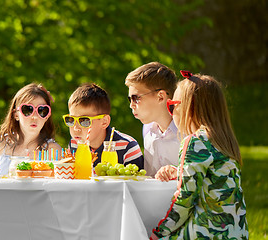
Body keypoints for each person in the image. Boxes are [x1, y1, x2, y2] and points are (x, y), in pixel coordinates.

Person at [151, 71, 248, 239]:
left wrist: (160, 232)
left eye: (171, 106)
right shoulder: (224, 141)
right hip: (236, 233)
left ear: (188, 108)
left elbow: (185, 199)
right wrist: (179, 170)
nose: (171, 112)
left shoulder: (195, 141)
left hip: (205, 233)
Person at [64, 83, 143, 168]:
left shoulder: (128, 147)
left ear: (104, 122)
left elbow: (137, 179)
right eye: (71, 120)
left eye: (84, 121)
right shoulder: (74, 143)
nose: (76, 128)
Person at [0, 83, 62, 175]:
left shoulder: (53, 151)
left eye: (42, 110)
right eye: (28, 110)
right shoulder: (1, 146)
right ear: (16, 115)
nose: (35, 117)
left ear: (47, 116)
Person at [125, 62, 180, 177]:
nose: (131, 105)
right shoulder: (147, 130)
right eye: (129, 99)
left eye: (136, 98)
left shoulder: (188, 131)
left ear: (160, 97)